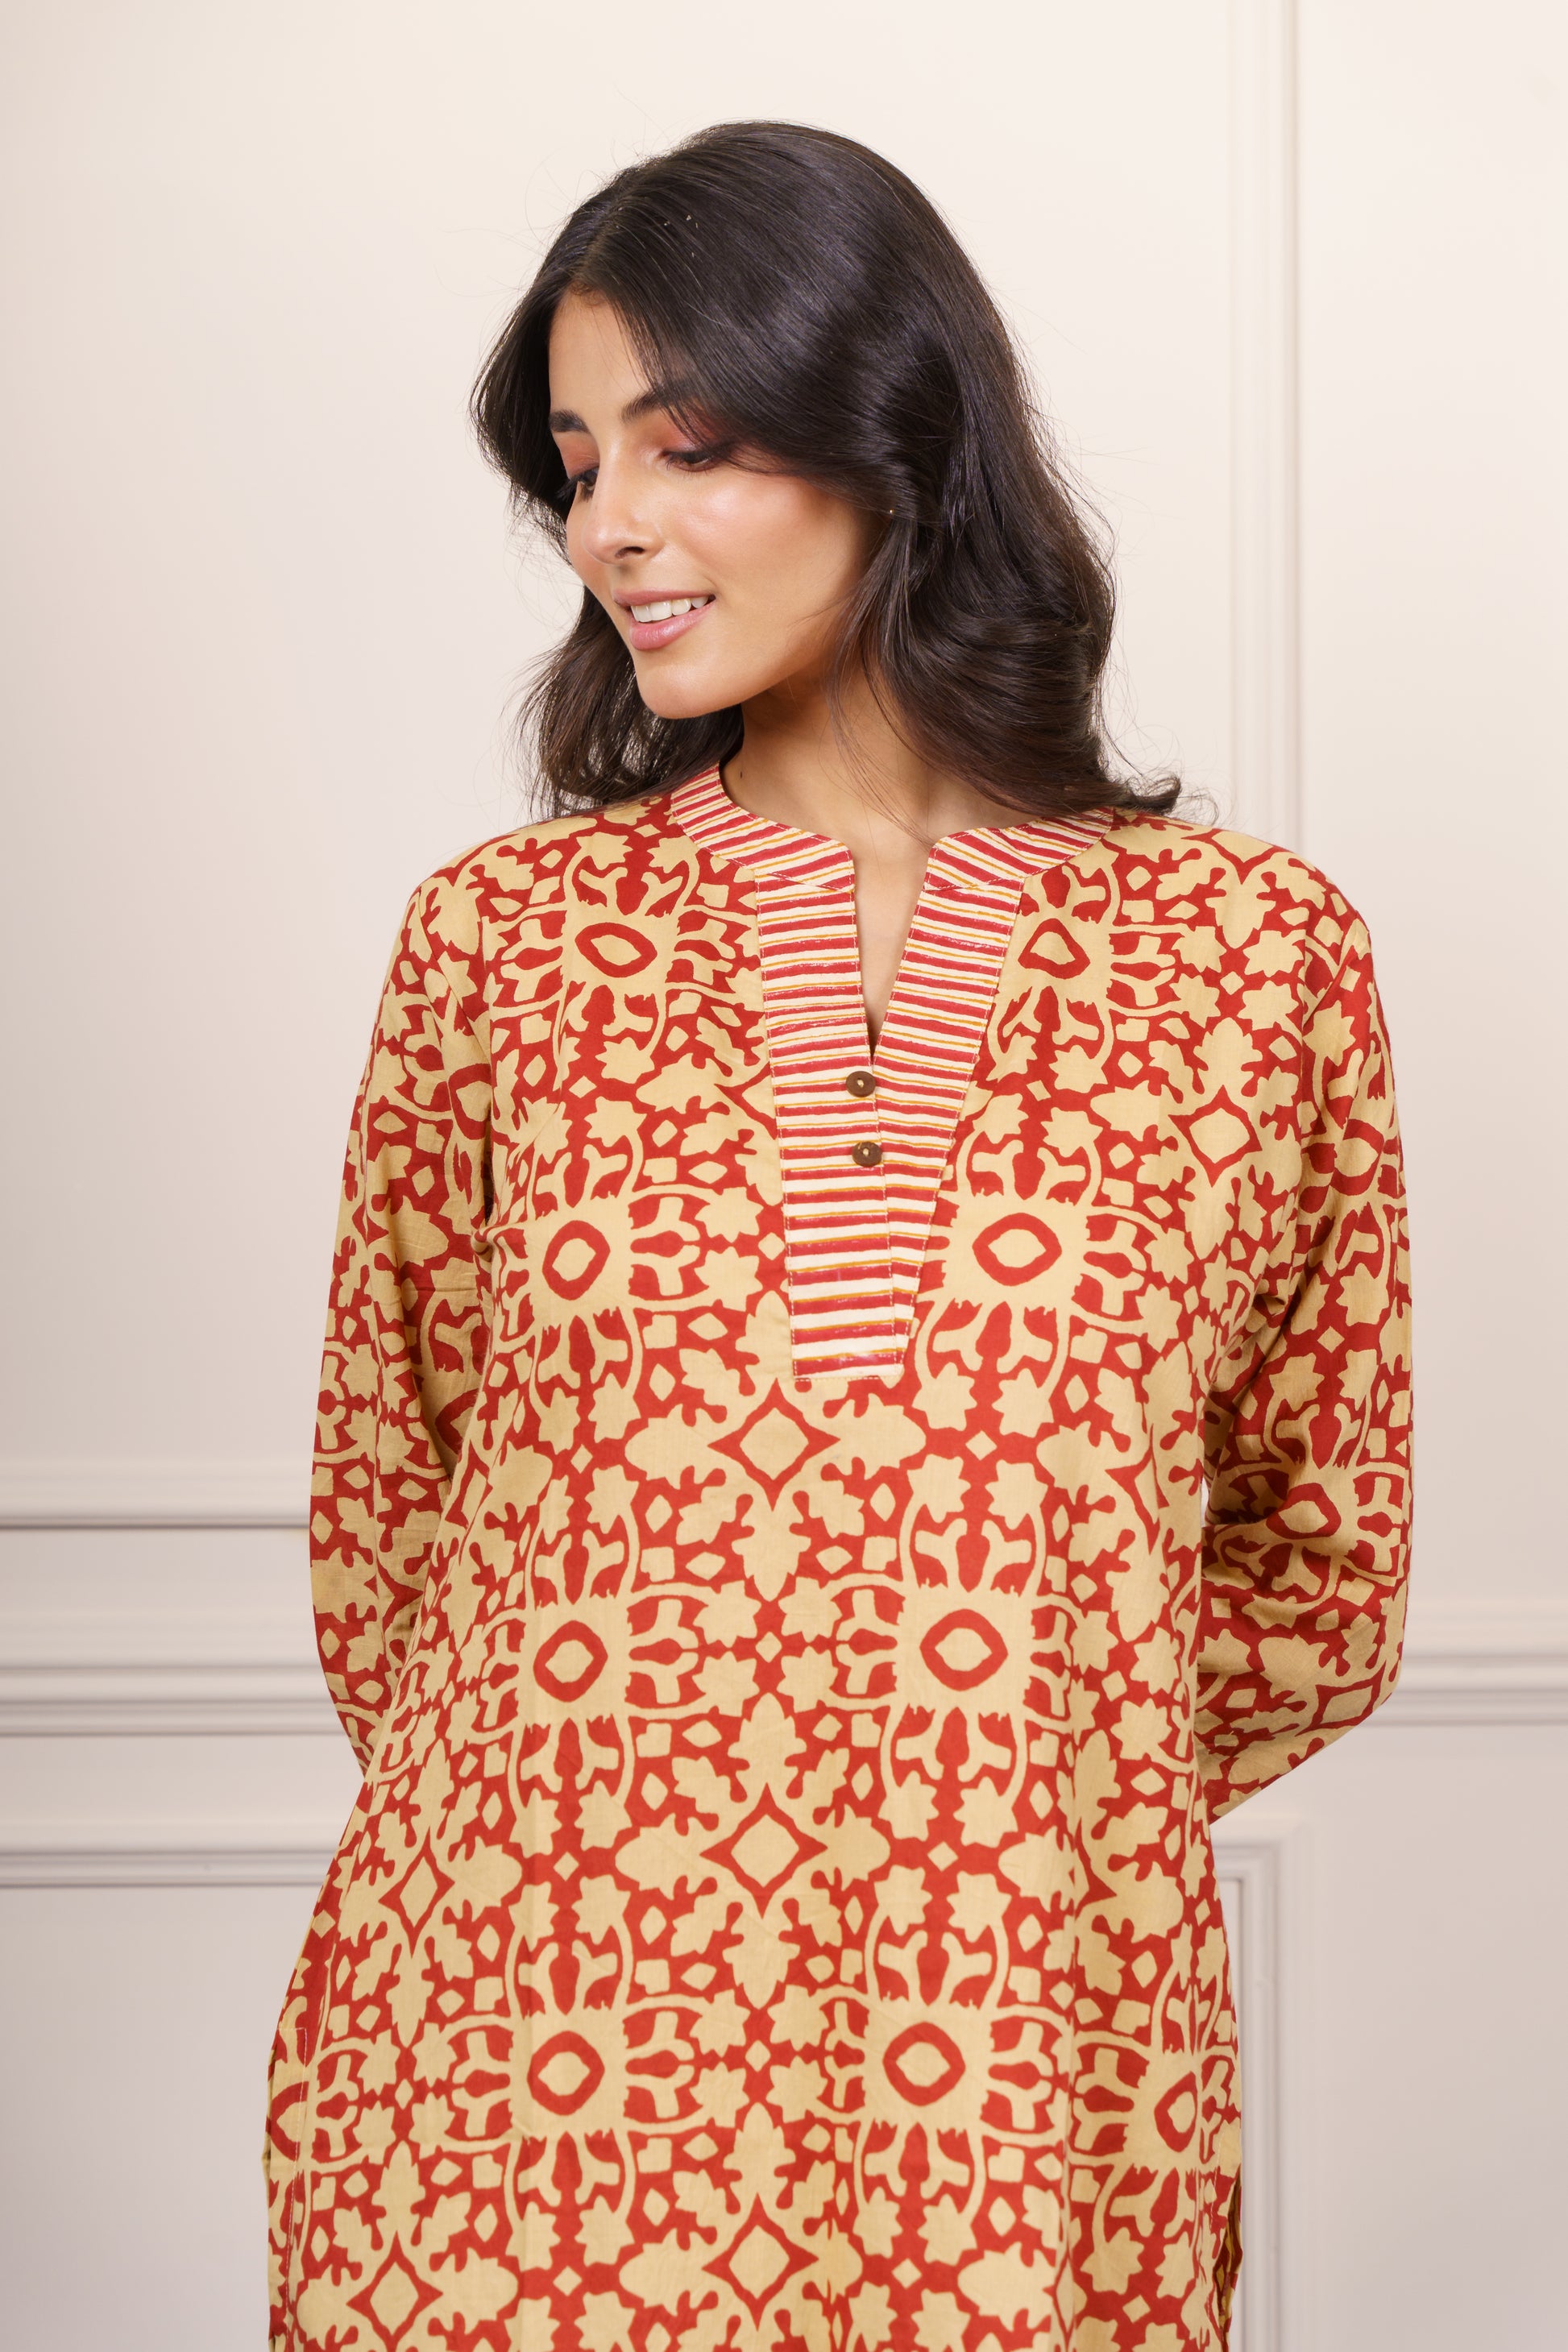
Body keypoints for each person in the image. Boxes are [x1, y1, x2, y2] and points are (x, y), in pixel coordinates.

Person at [265, 120, 1412, 2352]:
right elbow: (391, 1530)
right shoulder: (500, 947)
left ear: (894, 439)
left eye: (684, 447)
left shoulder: (1254, 962)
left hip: (1022, 2079)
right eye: (576, 463)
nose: (609, 524)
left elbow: (1319, 1570)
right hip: (518, 2088)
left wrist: (988, 1773)